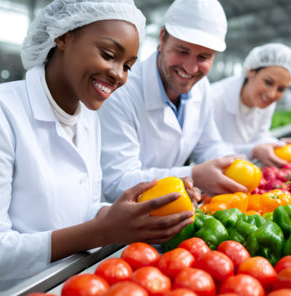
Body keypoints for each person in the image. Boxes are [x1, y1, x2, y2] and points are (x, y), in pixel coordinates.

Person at [0, 1, 196, 296]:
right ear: (63, 36)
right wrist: (103, 231)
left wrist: (141, 212)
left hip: (76, 284)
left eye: (128, 65)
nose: (119, 75)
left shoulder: (89, 119)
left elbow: (82, 208)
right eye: (108, 55)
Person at [98, 0, 248, 202]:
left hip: (172, 211)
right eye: (182, 51)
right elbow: (116, 182)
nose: (191, 68)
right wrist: (194, 175)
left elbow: (208, 145)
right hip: (122, 220)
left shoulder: (201, 88)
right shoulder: (122, 92)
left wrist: (230, 162)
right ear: (162, 39)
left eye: (203, 57)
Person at [209, 43, 291, 167]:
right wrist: (253, 151)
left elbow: (260, 135)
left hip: (243, 172)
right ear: (251, 70)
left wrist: (277, 146)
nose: (272, 94)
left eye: (281, 89)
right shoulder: (214, 97)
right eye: (268, 82)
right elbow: (207, 148)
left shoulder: (265, 100)